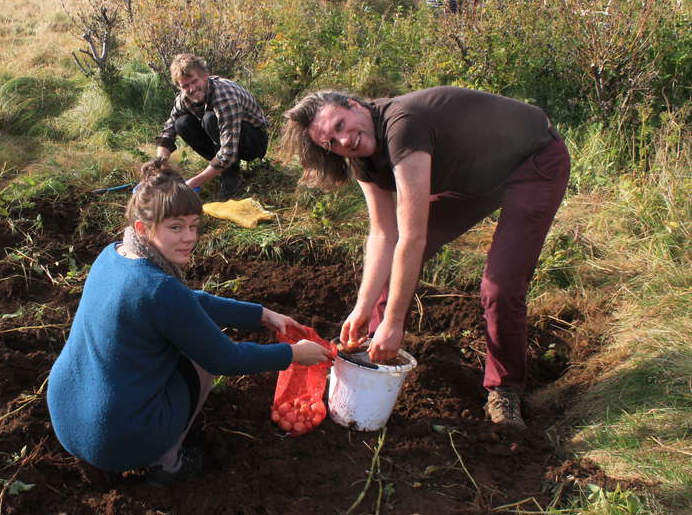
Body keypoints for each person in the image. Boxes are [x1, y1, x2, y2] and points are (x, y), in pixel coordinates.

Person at [282, 86, 570, 429]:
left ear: (356, 105)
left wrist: (396, 321)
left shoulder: (403, 125)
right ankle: (373, 352)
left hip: (533, 162)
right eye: (331, 142)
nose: (343, 141)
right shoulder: (361, 157)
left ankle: (504, 389)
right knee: (393, 266)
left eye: (341, 125)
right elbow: (383, 235)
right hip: (475, 178)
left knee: (500, 286)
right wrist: (363, 307)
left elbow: (412, 236)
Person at [47, 159, 331, 485]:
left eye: (194, 225)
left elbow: (189, 303)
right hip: (117, 440)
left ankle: (121, 448)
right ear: (143, 228)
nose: (189, 238)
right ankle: (166, 464)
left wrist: (261, 315)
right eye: (176, 227)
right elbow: (225, 358)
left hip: (69, 417)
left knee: (176, 342)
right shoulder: (160, 289)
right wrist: (293, 355)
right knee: (201, 360)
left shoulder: (113, 255)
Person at [155, 53, 269, 200]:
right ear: (179, 87)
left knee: (210, 119)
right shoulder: (184, 98)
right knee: (181, 123)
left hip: (254, 141)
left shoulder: (224, 96)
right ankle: (221, 168)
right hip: (226, 137)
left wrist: (193, 182)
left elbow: (228, 151)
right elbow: (168, 130)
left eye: (195, 81)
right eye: (185, 86)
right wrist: (160, 163)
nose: (192, 89)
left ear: (205, 76)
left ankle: (231, 173)